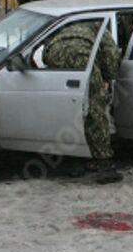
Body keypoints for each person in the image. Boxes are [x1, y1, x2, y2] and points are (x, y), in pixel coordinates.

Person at [43, 21, 123, 183]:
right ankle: (105, 165)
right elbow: (112, 55)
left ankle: (73, 162)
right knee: (95, 112)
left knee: (70, 109)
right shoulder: (103, 31)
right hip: (81, 56)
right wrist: (108, 77)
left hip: (53, 53)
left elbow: (44, 50)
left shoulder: (70, 26)